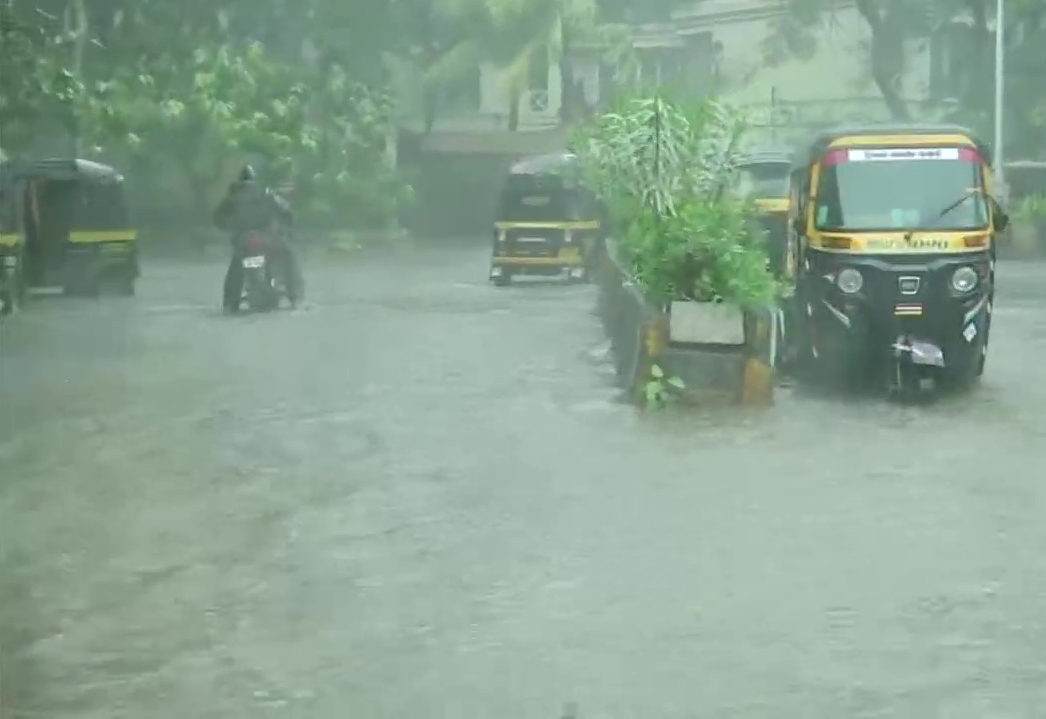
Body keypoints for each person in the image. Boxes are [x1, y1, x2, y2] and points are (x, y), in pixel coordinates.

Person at [213, 165, 303, 312]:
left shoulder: (233, 196)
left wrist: (229, 228)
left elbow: (217, 218)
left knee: (236, 266)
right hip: (266, 237)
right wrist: (286, 226)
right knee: (288, 255)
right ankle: (295, 297)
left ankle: (230, 303)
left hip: (244, 239)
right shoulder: (266, 193)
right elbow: (286, 211)